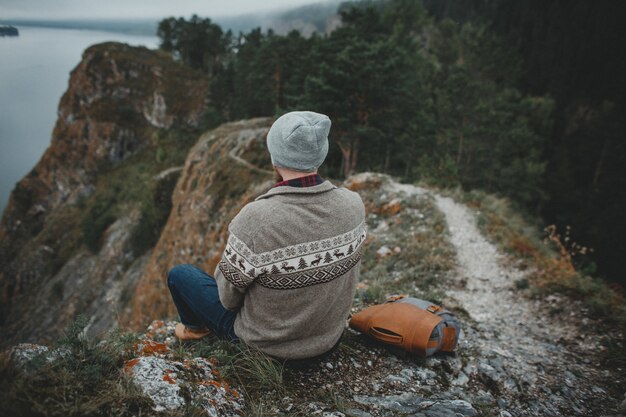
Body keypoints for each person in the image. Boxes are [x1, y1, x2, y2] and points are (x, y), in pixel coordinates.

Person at [167, 111, 367, 360]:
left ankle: (194, 330)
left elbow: (227, 299)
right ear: (321, 154)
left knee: (180, 275)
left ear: (275, 158)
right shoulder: (353, 203)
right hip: (328, 341)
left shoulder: (257, 219)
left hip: (267, 350)